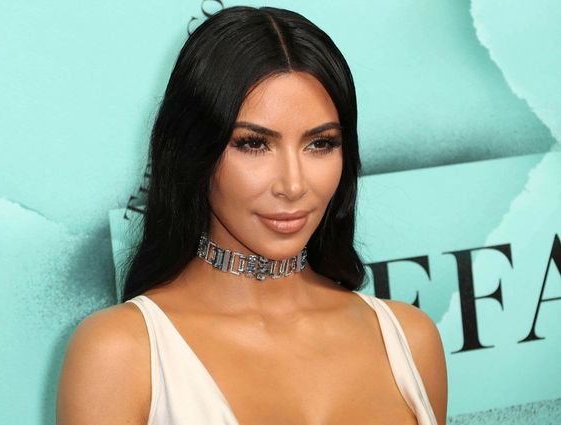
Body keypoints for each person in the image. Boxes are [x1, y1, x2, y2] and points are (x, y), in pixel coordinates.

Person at [56, 5, 448, 425]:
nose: (293, 184)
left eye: (320, 144)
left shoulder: (410, 341)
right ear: (194, 151)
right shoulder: (120, 353)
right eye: (253, 144)